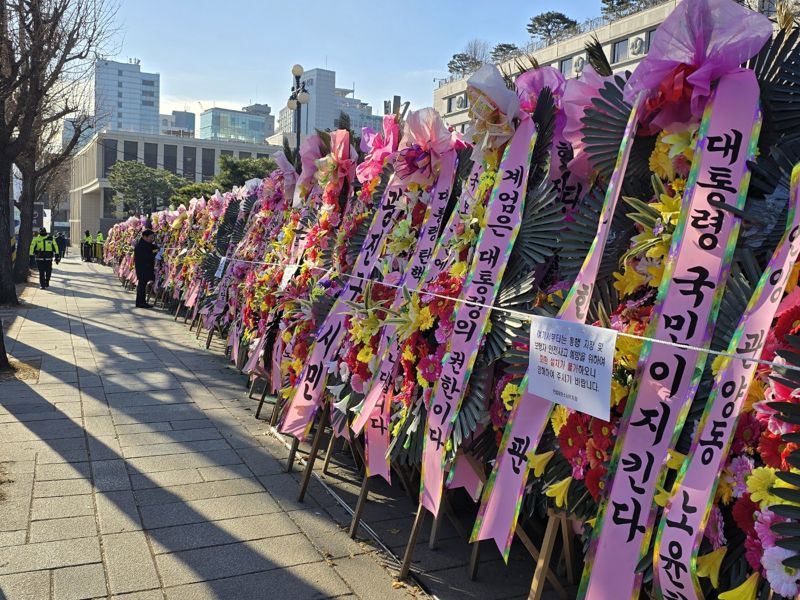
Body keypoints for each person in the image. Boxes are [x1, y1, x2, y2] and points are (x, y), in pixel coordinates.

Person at [133, 229, 158, 308]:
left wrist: (157, 249)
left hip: (145, 269)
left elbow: (154, 248)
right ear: (144, 237)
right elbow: (146, 257)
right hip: (142, 269)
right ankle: (140, 303)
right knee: (142, 286)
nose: (152, 239)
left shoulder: (147, 244)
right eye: (150, 237)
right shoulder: (140, 246)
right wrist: (154, 253)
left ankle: (141, 302)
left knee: (142, 286)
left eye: (152, 237)